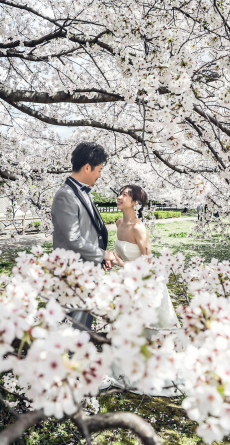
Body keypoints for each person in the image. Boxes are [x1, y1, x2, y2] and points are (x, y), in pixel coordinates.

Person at [103, 184, 184, 397]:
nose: (119, 197)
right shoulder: (118, 222)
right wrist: (111, 258)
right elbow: (121, 253)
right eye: (119, 194)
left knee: (150, 328)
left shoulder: (139, 228)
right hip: (127, 282)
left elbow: (147, 264)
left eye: (125, 195)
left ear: (135, 202)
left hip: (145, 284)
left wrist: (121, 264)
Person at [51, 142, 123, 330]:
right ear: (87, 167)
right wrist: (103, 254)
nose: (100, 175)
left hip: (87, 272)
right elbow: (72, 238)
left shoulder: (81, 192)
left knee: (83, 328)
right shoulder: (66, 195)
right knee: (76, 330)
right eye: (99, 170)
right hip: (74, 276)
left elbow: (90, 232)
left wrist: (99, 258)